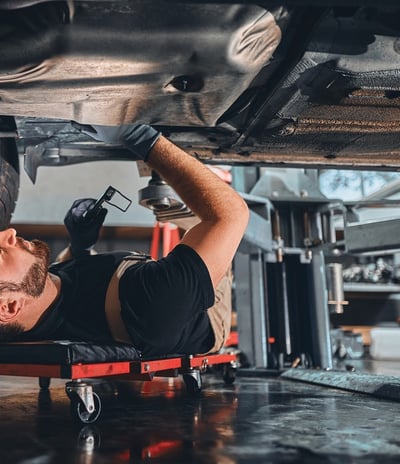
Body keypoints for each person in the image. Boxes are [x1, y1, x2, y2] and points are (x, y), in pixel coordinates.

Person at [0, 123, 249, 356]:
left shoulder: (33, 299)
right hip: (204, 313)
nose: (8, 233)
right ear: (10, 307)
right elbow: (231, 214)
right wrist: (140, 138)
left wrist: (80, 245)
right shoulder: (152, 303)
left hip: (133, 287)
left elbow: (71, 286)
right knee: (203, 220)